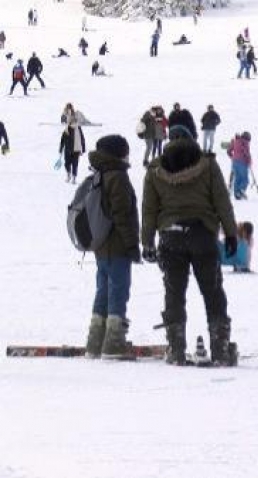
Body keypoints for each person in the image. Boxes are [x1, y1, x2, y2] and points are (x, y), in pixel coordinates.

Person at [141, 135, 238, 366]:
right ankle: (221, 349)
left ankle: (176, 349)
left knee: (174, 292)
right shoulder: (208, 165)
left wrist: (147, 241)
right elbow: (221, 200)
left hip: (170, 236)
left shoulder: (155, 170)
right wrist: (231, 233)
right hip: (202, 234)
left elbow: (149, 209)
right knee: (212, 291)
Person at [83, 135, 140, 359]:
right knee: (119, 290)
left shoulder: (99, 174)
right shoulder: (118, 177)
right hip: (117, 245)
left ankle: (95, 342)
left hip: (101, 245)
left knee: (103, 290)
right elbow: (122, 215)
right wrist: (132, 245)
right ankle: (113, 343)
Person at [226, 132, 252, 200]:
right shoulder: (244, 142)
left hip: (234, 162)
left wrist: (233, 157)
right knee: (245, 179)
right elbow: (246, 152)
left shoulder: (235, 141)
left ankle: (237, 194)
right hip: (242, 162)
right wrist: (249, 161)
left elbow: (228, 151)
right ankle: (241, 190)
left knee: (237, 178)